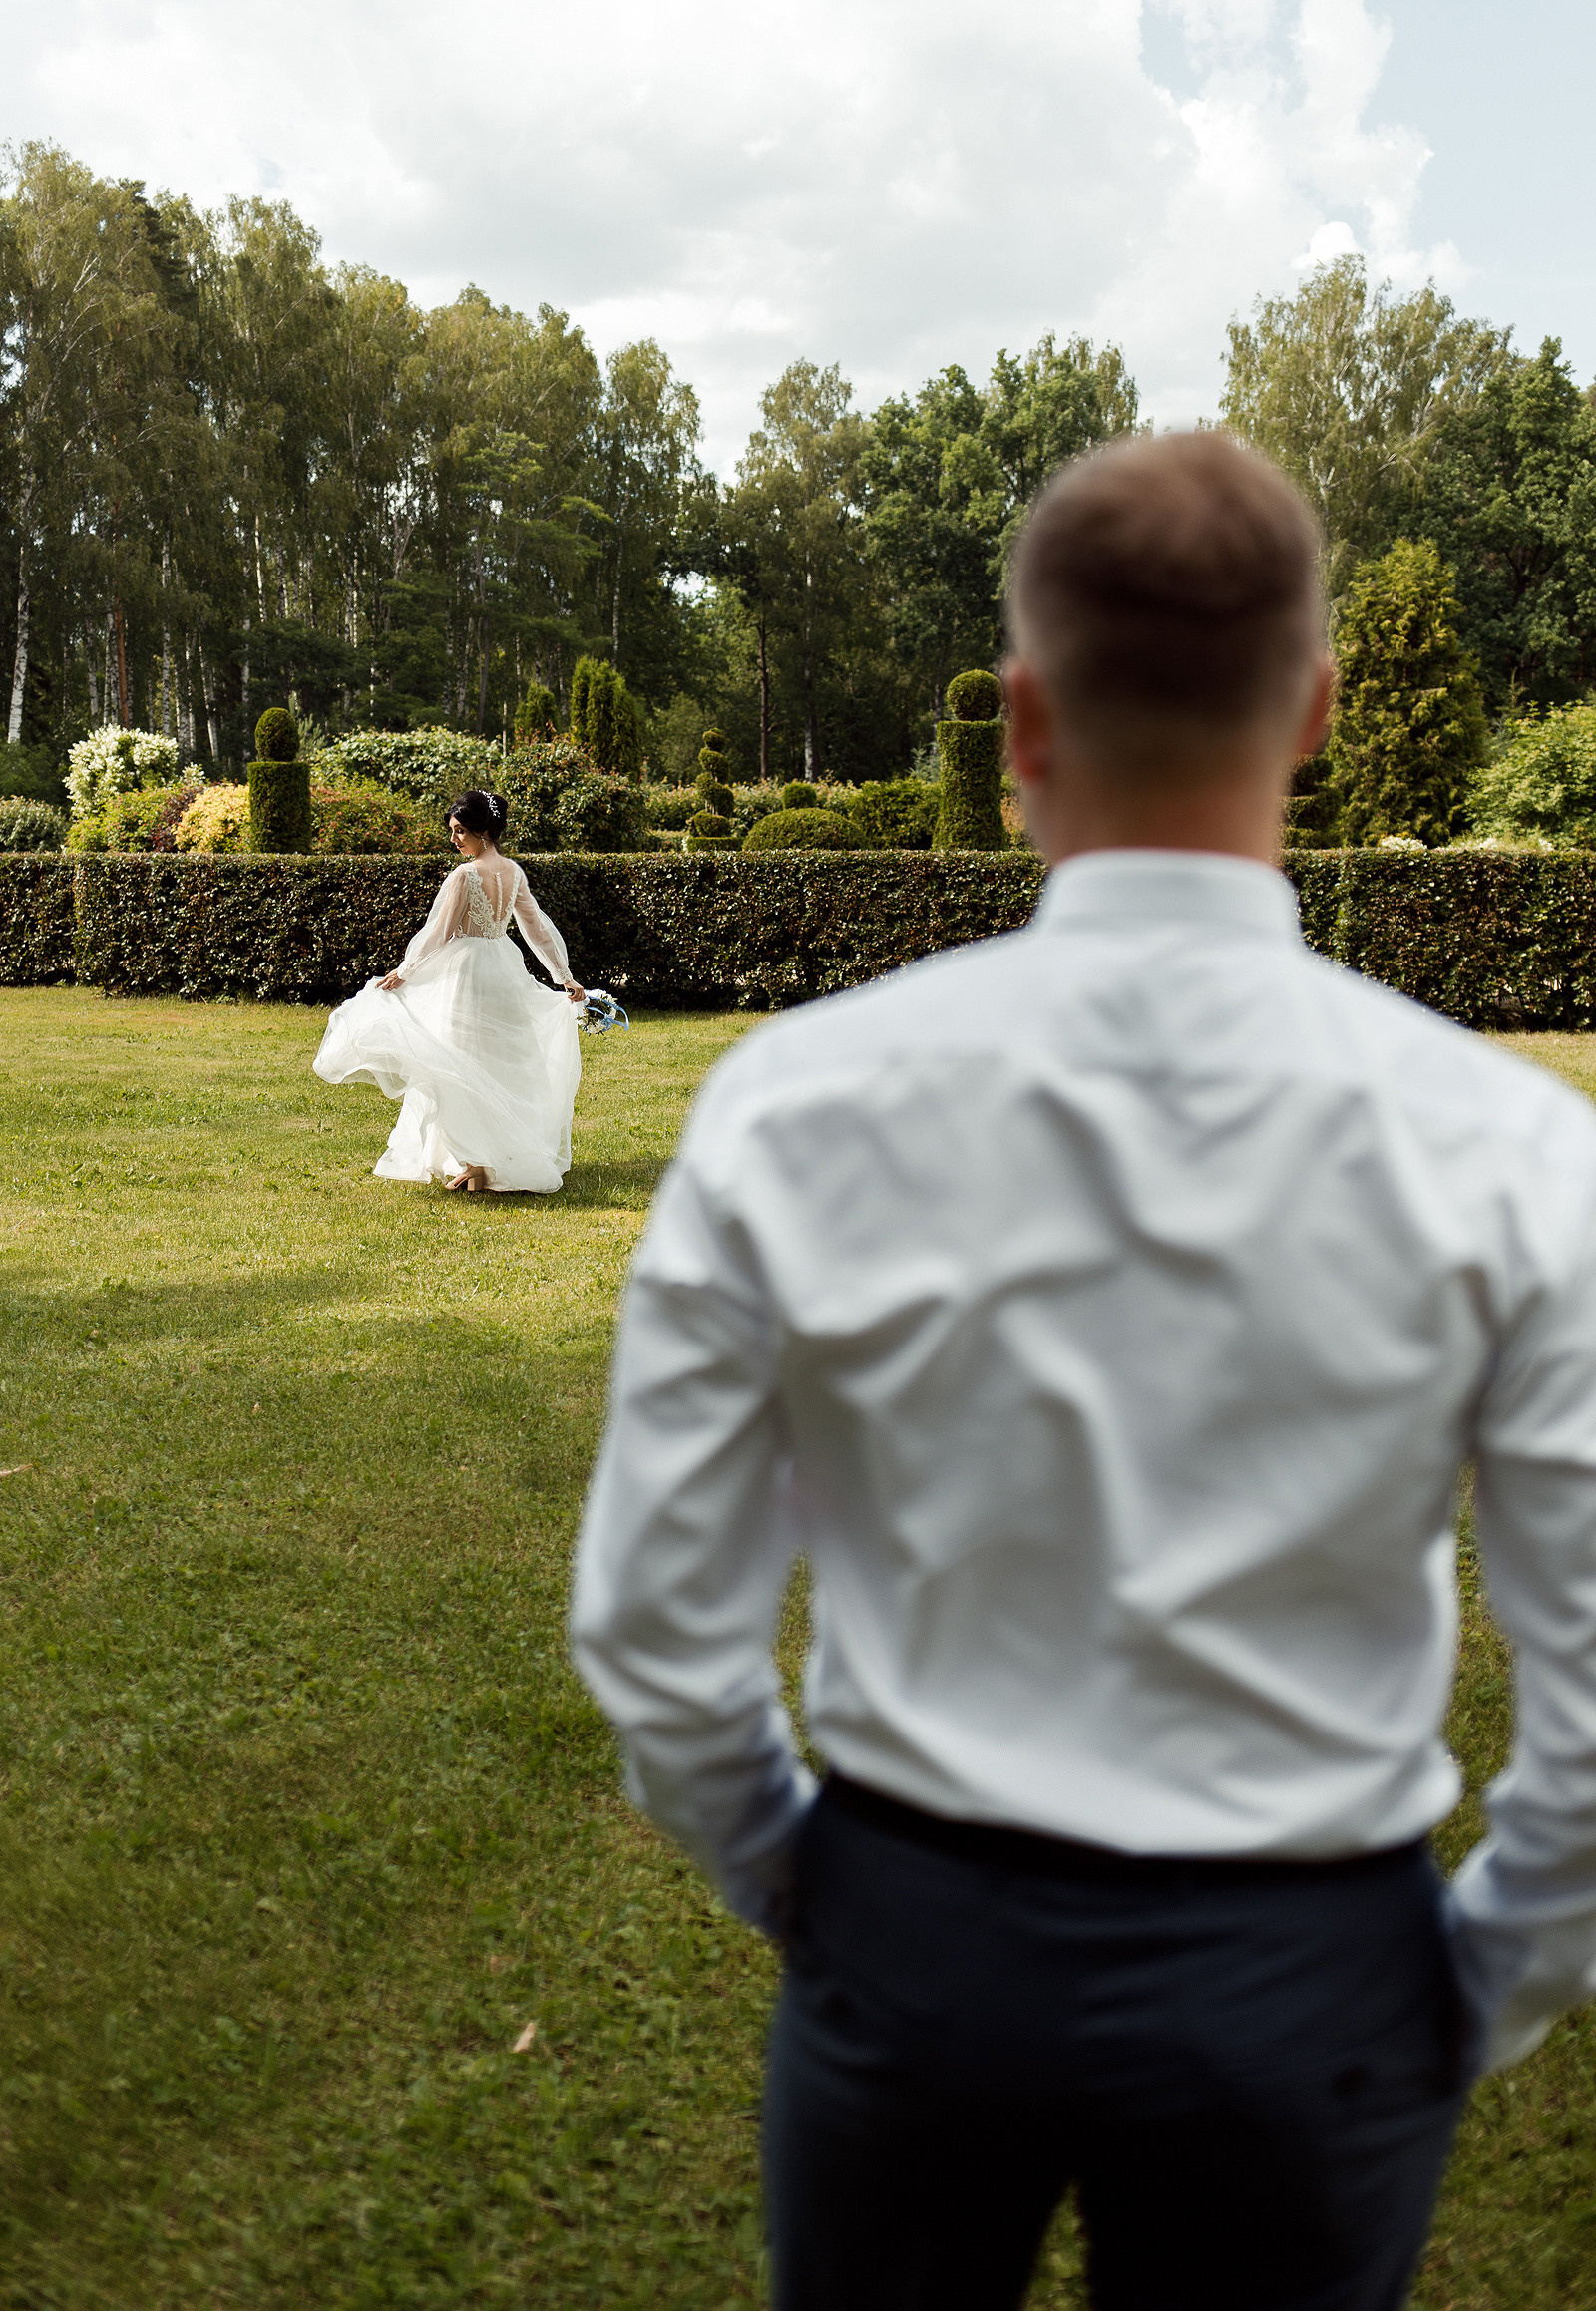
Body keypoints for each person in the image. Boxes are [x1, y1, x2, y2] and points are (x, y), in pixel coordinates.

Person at [570, 432, 1596, 2311]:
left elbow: (652, 1619)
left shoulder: (801, 1104)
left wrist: (812, 1893)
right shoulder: (1507, 1146)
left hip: (916, 1945)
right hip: (1316, 1978)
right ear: (1315, 711)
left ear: (1022, 719)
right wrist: (1485, 1980)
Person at [313, 788, 587, 1195]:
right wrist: (563, 974)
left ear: (482, 831)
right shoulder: (512, 871)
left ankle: (476, 1163)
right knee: (499, 1060)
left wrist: (404, 971)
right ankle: (486, 1158)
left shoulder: (464, 874)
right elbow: (536, 930)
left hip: (467, 972)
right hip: (503, 967)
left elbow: (440, 931)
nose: (454, 839)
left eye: (460, 831)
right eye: (453, 831)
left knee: (460, 1059)